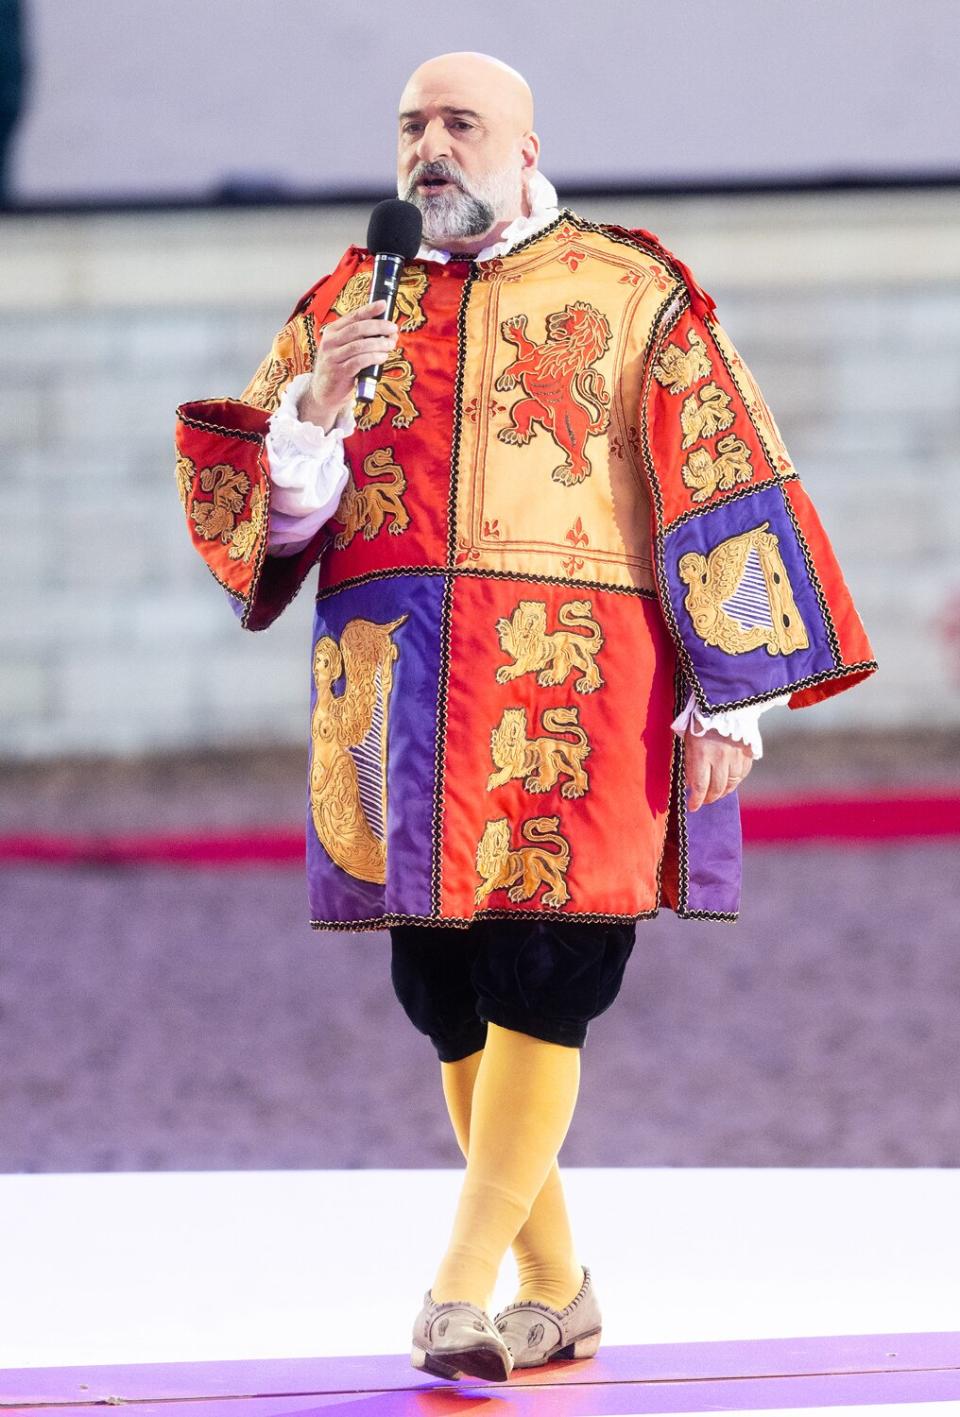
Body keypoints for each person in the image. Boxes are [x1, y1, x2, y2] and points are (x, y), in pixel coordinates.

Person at [175, 52, 877, 1382]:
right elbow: (268, 528)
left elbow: (720, 475)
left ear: (524, 142)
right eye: (412, 127)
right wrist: (319, 401)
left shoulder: (630, 292)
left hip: (577, 688)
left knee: (551, 970)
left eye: (460, 123)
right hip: (400, 695)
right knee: (443, 991)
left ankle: (457, 1288)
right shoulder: (344, 300)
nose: (431, 147)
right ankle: (556, 1288)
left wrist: (738, 694)